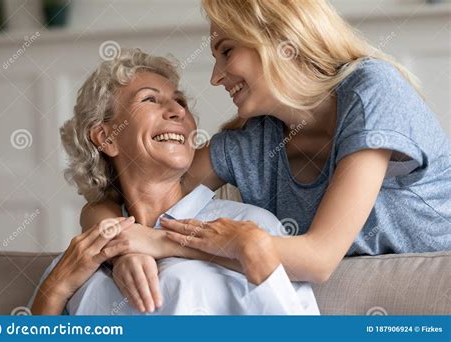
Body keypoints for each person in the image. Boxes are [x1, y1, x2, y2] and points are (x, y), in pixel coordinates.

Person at [81, 0, 451, 311]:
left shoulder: (371, 89)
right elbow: (113, 198)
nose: (215, 76)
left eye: (227, 51)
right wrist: (124, 251)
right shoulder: (254, 142)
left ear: (279, 36)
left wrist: (159, 242)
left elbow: (320, 259)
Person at [29, 48, 319, 315]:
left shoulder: (250, 227)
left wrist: (253, 250)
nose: (178, 111)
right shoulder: (85, 252)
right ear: (106, 138)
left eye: (180, 101)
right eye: (150, 99)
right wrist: (55, 289)